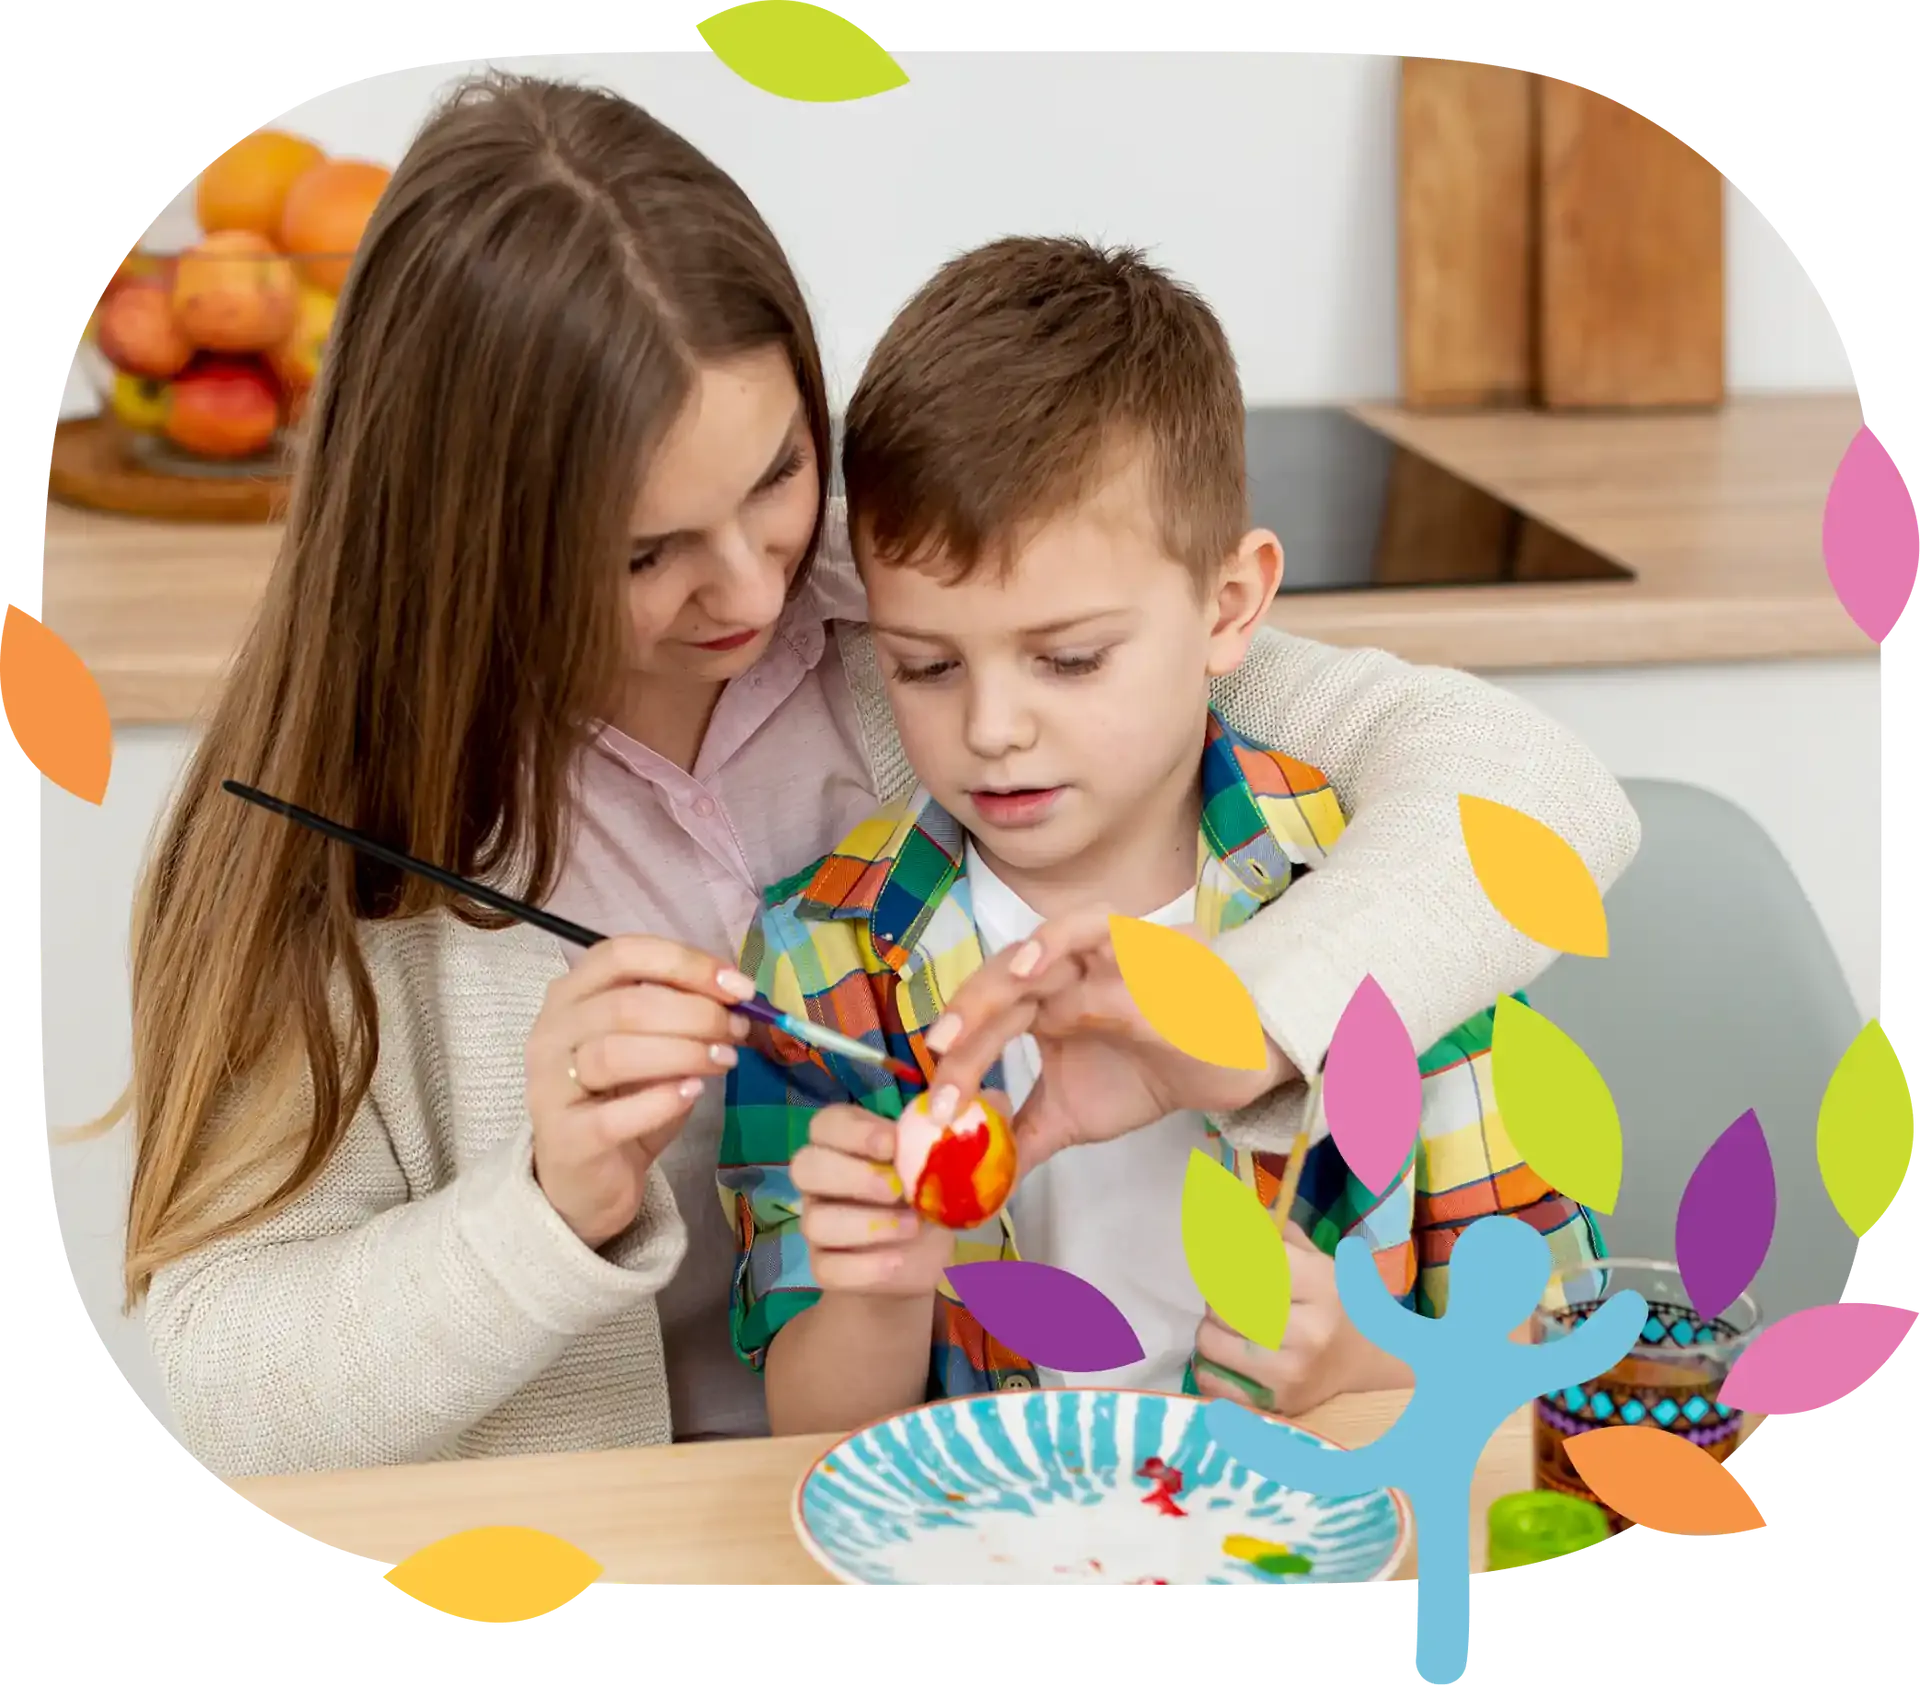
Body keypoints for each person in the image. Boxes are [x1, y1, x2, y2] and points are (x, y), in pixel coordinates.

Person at [92, 72, 1637, 1480]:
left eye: (776, 471)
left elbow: (1532, 793)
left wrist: (1244, 1019)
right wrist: (545, 1201)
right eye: (643, 551)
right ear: (477, 537)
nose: (752, 586)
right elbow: (229, 1382)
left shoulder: (922, 607)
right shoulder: (345, 826)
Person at [720, 237, 1607, 1437]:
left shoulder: (1386, 899)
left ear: (1229, 606)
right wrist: (881, 1282)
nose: (991, 729)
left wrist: (1357, 1353)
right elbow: (810, 1431)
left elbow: (1558, 1328)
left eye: (1070, 657)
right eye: (924, 666)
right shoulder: (817, 958)